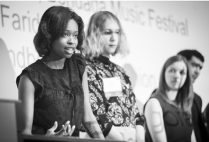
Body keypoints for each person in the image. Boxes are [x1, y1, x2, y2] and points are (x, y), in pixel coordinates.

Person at [16, 6, 104, 139]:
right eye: (65, 34)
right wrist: (47, 138)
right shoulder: (30, 77)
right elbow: (24, 135)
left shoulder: (78, 65)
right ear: (49, 35)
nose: (72, 41)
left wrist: (102, 140)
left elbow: (88, 118)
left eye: (75, 35)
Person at [82, 11, 145, 141]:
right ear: (95, 34)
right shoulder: (86, 68)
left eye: (117, 32)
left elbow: (136, 113)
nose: (113, 38)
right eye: (108, 32)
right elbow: (96, 112)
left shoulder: (120, 71)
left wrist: (139, 138)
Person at [144, 55, 194, 142]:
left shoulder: (185, 106)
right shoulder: (154, 103)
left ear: (187, 77)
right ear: (164, 73)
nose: (177, 76)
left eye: (182, 72)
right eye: (172, 70)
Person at [178, 49, 209, 142]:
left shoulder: (197, 99)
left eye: (200, 68)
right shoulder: (161, 95)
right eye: (194, 65)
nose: (197, 71)